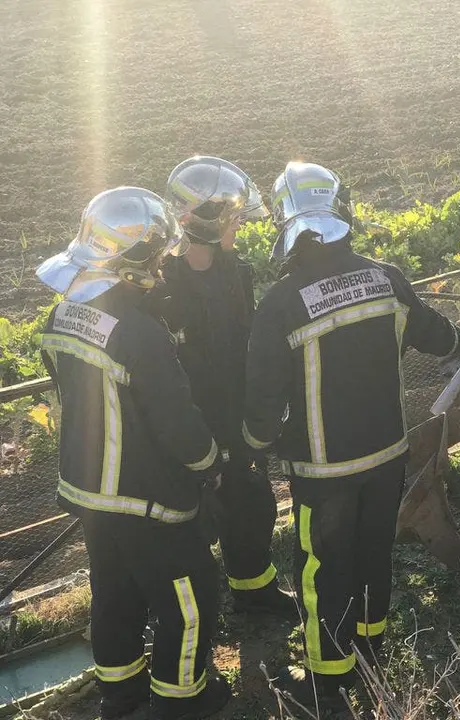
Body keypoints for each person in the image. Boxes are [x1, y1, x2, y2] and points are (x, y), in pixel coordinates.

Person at [242, 162, 460, 716]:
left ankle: (327, 681)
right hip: (387, 455)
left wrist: (255, 444)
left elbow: (262, 399)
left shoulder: (280, 303)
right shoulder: (386, 278)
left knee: (323, 568)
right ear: (342, 211)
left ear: (286, 223)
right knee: (375, 552)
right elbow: (433, 333)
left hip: (323, 473)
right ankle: (370, 647)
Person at [35, 187, 230, 719]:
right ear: (136, 261)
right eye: (158, 257)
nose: (162, 266)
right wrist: (210, 463)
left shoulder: (62, 314)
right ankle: (182, 700)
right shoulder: (141, 334)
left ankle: (121, 696)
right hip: (145, 498)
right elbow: (176, 420)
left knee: (115, 594)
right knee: (189, 598)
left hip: (89, 492)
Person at [156, 156, 297, 619]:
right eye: (233, 218)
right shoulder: (163, 286)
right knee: (191, 523)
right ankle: (194, 614)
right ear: (207, 222)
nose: (240, 225)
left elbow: (246, 341)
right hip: (189, 424)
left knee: (252, 506)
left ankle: (253, 590)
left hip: (235, 415)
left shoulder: (238, 271)